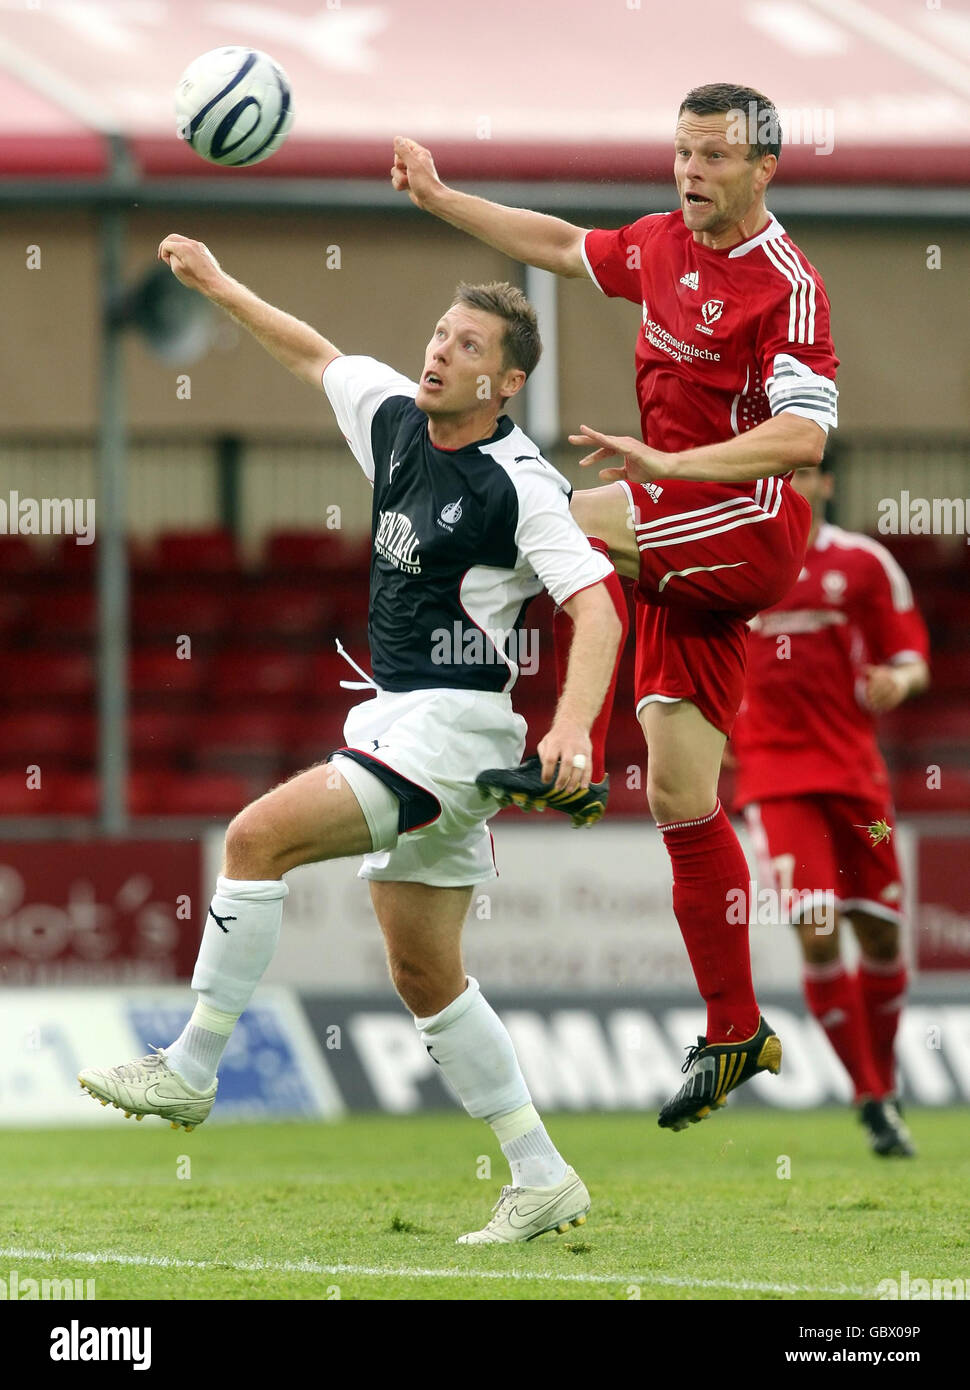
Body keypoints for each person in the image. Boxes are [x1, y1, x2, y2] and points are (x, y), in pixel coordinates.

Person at [79, 236, 625, 1244]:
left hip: (453, 726)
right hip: (397, 714)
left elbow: (597, 607)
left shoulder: (520, 483)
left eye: (467, 345)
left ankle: (191, 1067)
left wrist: (576, 730)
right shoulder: (393, 418)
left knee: (253, 841)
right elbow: (309, 351)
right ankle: (540, 1173)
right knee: (424, 975)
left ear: (505, 382)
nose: (439, 351)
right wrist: (215, 281)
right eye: (439, 333)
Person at [392, 82, 839, 1130]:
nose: (690, 172)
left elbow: (804, 442)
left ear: (764, 167)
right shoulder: (657, 247)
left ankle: (559, 755)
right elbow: (554, 244)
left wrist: (675, 463)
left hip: (746, 524)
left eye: (715, 156)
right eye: (682, 151)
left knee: (537, 511)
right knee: (683, 796)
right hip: (677, 536)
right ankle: (736, 1028)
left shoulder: (789, 286)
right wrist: (443, 197)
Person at [731, 460, 929, 1155]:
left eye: (806, 472)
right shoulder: (737, 562)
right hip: (776, 782)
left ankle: (886, 1076)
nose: (793, 485)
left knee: (878, 935)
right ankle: (870, 1097)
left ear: (828, 485)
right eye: (780, 474)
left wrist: (896, 684)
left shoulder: (864, 564)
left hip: (858, 786)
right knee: (817, 931)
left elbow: (913, 659)